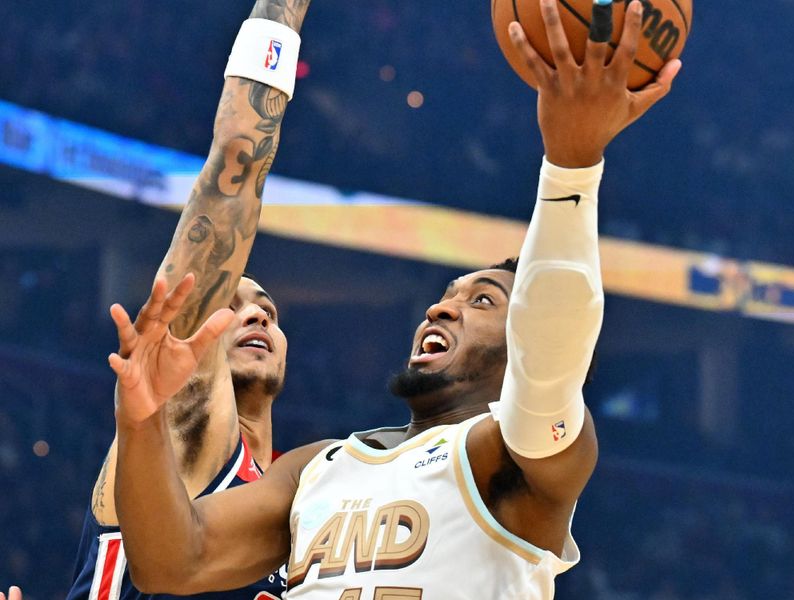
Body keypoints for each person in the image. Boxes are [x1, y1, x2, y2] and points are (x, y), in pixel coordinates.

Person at [109, 1, 681, 598]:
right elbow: (172, 562)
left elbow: (552, 355)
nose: (441, 309)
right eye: (445, 296)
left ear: (523, 341)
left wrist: (572, 165)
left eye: (482, 301)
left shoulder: (510, 458)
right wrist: (142, 418)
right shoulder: (317, 467)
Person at [65, 0, 312, 597]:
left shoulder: (290, 506)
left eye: (270, 313)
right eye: (235, 303)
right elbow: (235, 168)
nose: (255, 313)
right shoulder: (181, 422)